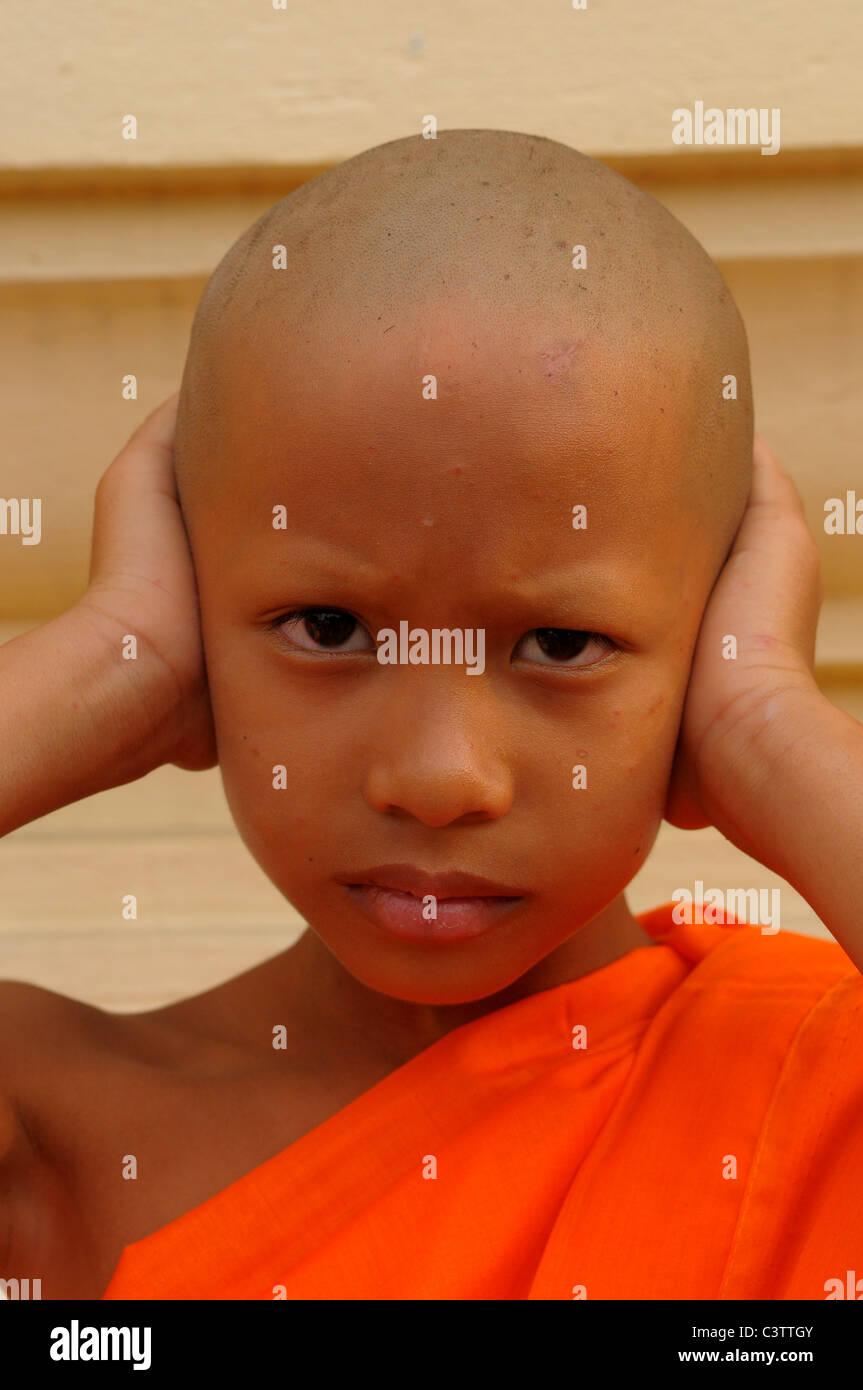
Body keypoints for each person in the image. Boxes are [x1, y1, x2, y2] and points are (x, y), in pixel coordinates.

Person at [1, 129, 862, 1301]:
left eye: (561, 644)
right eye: (327, 627)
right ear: (199, 616)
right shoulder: (50, 1131)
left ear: (704, 640)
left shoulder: (807, 1084)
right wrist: (109, 663)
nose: (437, 775)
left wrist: (769, 722)